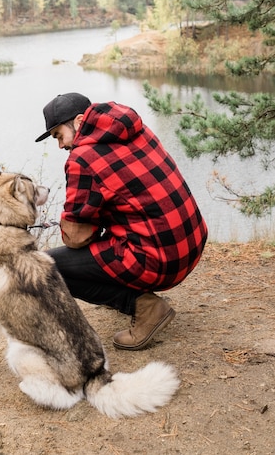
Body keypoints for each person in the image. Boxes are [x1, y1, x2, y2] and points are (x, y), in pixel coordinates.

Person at [35, 92, 208, 350]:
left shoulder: (82, 158)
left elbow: (75, 237)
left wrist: (92, 218)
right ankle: (133, 293)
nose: (60, 146)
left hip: (161, 261)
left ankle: (145, 308)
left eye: (59, 135)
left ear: (80, 122)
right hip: (191, 243)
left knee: (46, 268)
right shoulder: (137, 130)